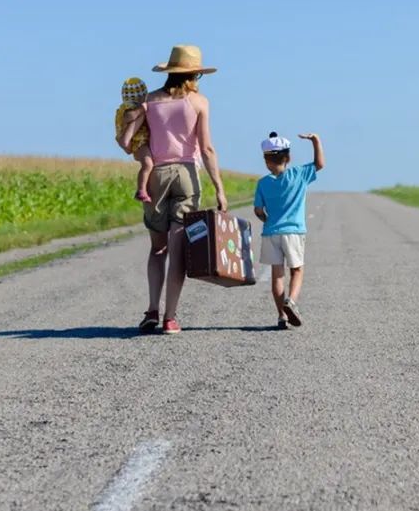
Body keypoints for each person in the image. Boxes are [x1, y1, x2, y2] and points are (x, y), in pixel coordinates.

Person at [122, 45, 228, 334]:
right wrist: (219, 188)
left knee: (158, 250)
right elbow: (206, 148)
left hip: (155, 175)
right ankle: (171, 317)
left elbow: (129, 141)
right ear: (195, 74)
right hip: (187, 175)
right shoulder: (199, 102)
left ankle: (152, 311)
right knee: (179, 250)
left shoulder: (149, 101)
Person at [253, 131, 325, 330]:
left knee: (277, 275)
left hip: (271, 233)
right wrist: (315, 141)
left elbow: (258, 210)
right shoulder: (299, 175)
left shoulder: (263, 183)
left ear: (266, 161)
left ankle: (281, 316)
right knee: (297, 270)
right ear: (289, 158)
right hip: (293, 232)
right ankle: (291, 301)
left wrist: (267, 220)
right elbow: (319, 164)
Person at [115, 77, 154, 202]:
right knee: (148, 164)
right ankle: (141, 190)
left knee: (148, 165)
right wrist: (143, 108)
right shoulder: (129, 107)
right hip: (138, 143)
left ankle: (143, 189)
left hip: (140, 141)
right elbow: (128, 116)